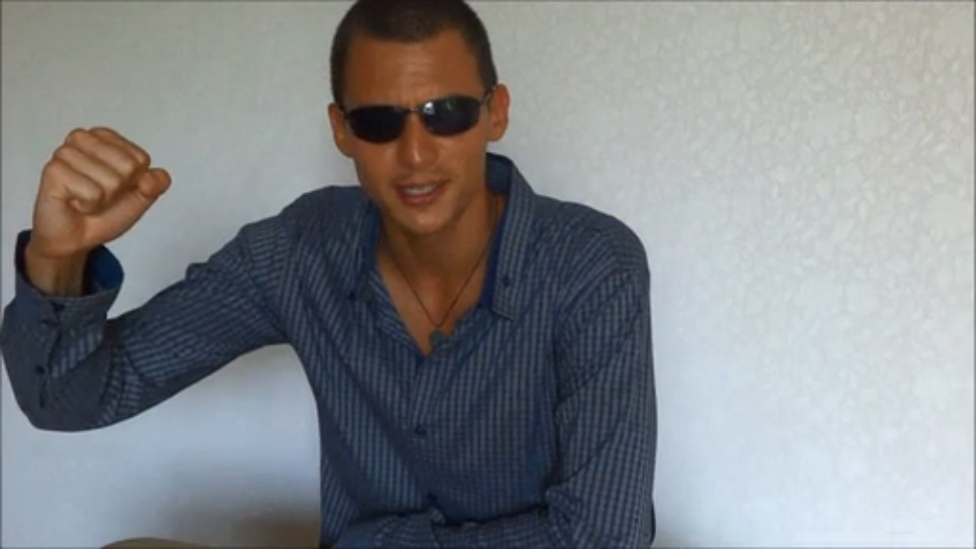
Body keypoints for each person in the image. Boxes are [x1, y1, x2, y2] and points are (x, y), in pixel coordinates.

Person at [1, 0, 658, 547]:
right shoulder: (298, 252)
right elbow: (68, 398)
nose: (415, 154)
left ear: (496, 112)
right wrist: (59, 258)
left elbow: (603, 536)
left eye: (446, 113)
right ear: (341, 130)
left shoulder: (591, 263)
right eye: (379, 122)